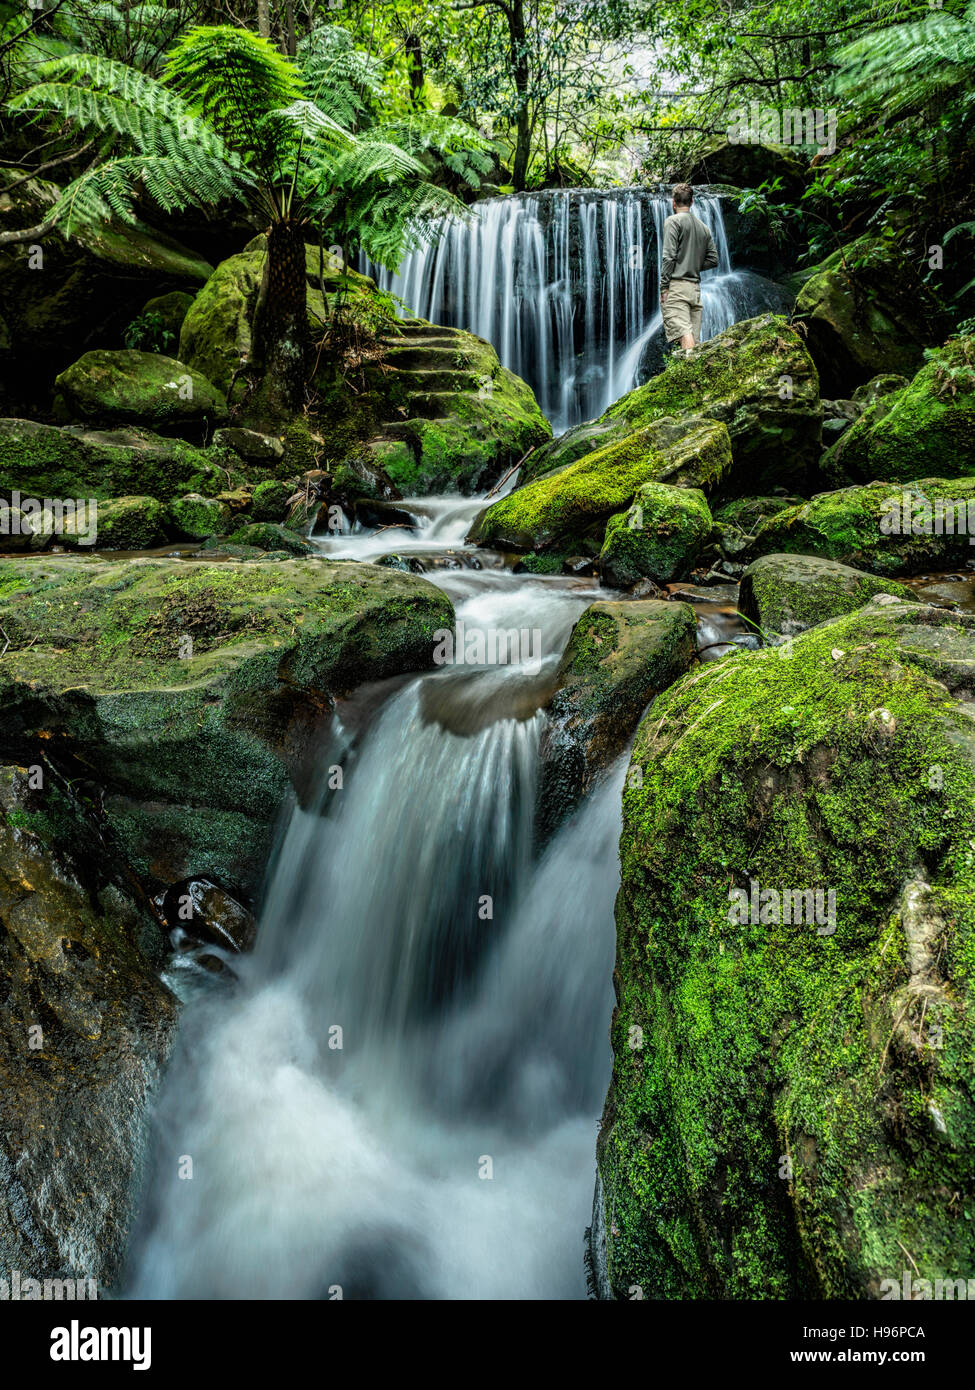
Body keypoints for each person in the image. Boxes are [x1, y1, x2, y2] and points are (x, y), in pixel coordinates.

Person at [659, 183, 718, 355]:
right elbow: (714, 260)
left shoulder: (673, 221)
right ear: (692, 202)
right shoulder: (703, 228)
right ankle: (697, 378)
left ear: (673, 203)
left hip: (677, 288)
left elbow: (668, 256)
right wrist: (692, 263)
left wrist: (664, 286)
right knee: (693, 340)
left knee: (685, 335)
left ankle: (692, 377)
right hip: (695, 290)